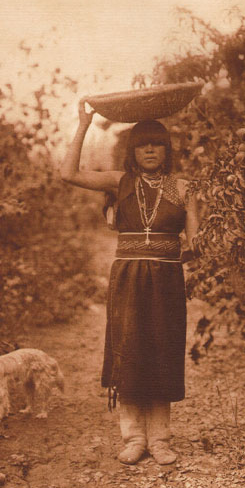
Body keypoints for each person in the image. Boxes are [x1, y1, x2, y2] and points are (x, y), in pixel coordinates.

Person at [61, 99, 200, 465]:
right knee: (129, 352)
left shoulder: (183, 188)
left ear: (167, 150)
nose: (150, 150)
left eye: (157, 143)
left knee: (163, 353)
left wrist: (198, 251)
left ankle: (161, 439)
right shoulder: (120, 182)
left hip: (167, 280)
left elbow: (198, 242)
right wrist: (83, 124)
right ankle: (133, 437)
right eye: (142, 144)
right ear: (133, 151)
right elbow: (68, 174)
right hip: (127, 277)